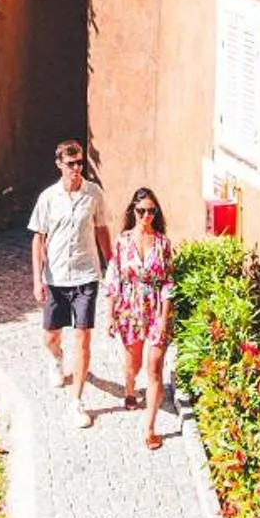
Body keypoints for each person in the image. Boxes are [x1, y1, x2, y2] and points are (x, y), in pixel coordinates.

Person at [28, 139, 110, 428]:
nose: (76, 169)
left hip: (86, 276)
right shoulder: (48, 198)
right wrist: (37, 279)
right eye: (71, 164)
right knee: (50, 336)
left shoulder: (94, 193)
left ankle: (76, 401)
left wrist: (111, 265)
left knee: (83, 338)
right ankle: (56, 358)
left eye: (80, 163)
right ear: (59, 165)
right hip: (56, 277)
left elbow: (101, 229)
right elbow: (38, 239)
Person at [106, 187, 174, 451]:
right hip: (130, 309)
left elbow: (168, 283)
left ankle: (150, 428)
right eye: (141, 211)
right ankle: (130, 388)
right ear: (133, 211)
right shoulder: (123, 241)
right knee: (132, 365)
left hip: (156, 311)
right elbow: (114, 279)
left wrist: (164, 318)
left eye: (151, 211)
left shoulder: (163, 243)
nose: (147, 216)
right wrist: (110, 314)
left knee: (154, 368)